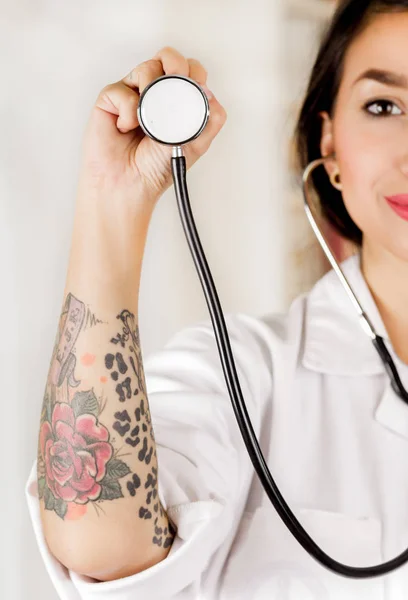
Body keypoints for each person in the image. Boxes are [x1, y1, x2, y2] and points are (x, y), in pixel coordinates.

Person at [25, 0, 408, 598]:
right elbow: (96, 536)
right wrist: (113, 201)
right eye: (384, 106)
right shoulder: (243, 376)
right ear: (329, 143)